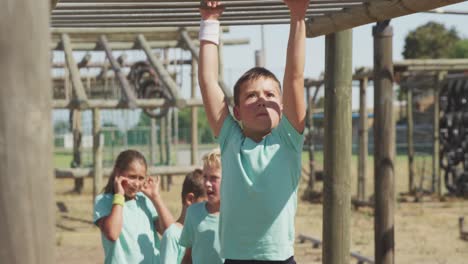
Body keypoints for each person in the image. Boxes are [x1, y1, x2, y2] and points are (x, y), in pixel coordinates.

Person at [197, 0, 308, 263]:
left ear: (282, 107)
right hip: (237, 258)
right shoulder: (230, 140)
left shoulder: (288, 140)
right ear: (236, 112)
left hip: (280, 258)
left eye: (270, 94)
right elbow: (208, 81)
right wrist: (210, 21)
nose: (261, 100)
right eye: (251, 96)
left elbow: (294, 77)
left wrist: (298, 15)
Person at [94, 149, 175, 264]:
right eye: (132, 177)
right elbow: (112, 233)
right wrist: (119, 196)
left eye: (141, 178)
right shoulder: (104, 201)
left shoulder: (145, 200)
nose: (136, 183)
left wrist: (156, 198)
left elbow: (172, 233)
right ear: (118, 173)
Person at [179, 149, 223, 264]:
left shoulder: (238, 214)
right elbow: (188, 256)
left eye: (213, 178)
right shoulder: (194, 212)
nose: (207, 183)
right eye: (205, 177)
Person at [160, 169, 207, 264]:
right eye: (205, 204)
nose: (209, 209)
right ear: (190, 199)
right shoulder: (172, 235)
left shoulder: (205, 231)